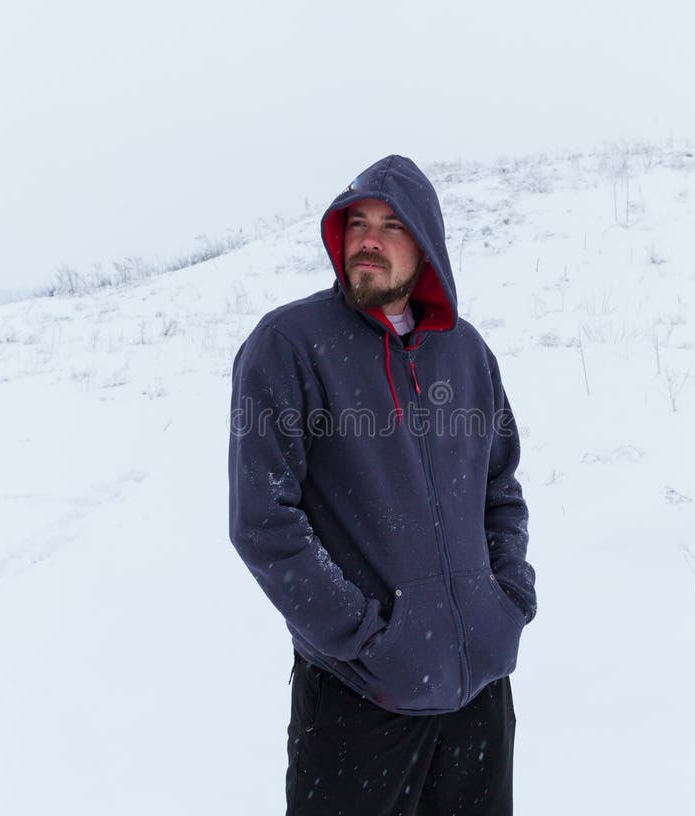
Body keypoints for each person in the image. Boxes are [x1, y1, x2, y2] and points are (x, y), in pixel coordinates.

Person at [228, 155, 536, 815]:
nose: (368, 238)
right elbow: (265, 522)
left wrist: (504, 602)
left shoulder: (468, 353)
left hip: (477, 695)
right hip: (361, 699)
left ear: (426, 245)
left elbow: (500, 492)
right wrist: (366, 642)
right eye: (357, 222)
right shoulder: (291, 345)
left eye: (392, 225)